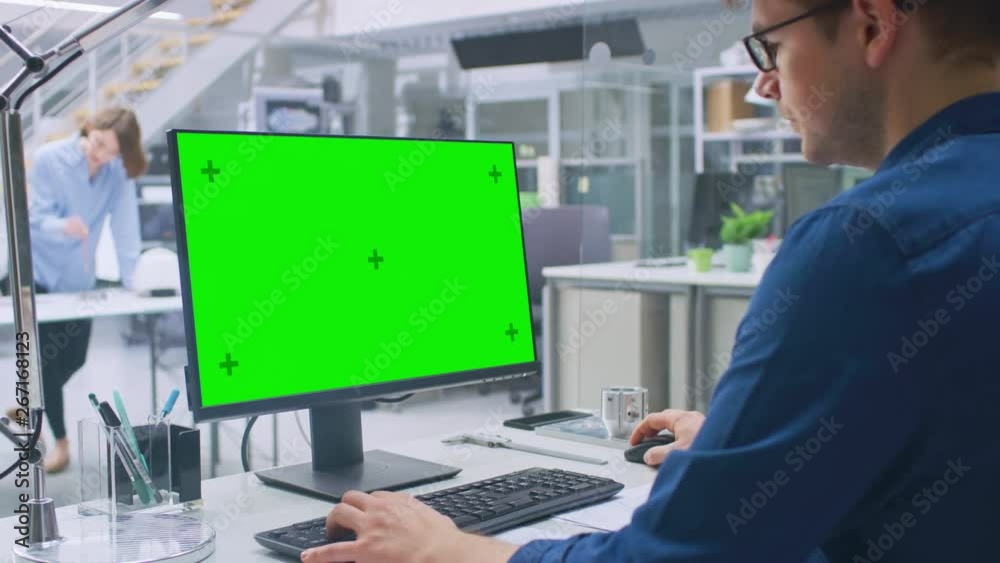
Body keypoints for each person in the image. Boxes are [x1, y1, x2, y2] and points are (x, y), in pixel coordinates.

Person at [299, 0, 1000, 562]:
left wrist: (450, 549)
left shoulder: (866, 241)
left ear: (873, 23)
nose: (763, 82)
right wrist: (748, 449)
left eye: (771, 46)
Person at [16, 107, 145, 473]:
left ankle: (32, 404)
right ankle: (58, 441)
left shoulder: (117, 173)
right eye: (99, 143)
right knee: (45, 364)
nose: (100, 155)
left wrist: (133, 278)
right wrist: (63, 226)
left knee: (73, 359)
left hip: (78, 280)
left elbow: (125, 226)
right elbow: (34, 219)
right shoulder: (48, 159)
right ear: (90, 128)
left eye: (111, 152)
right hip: (39, 275)